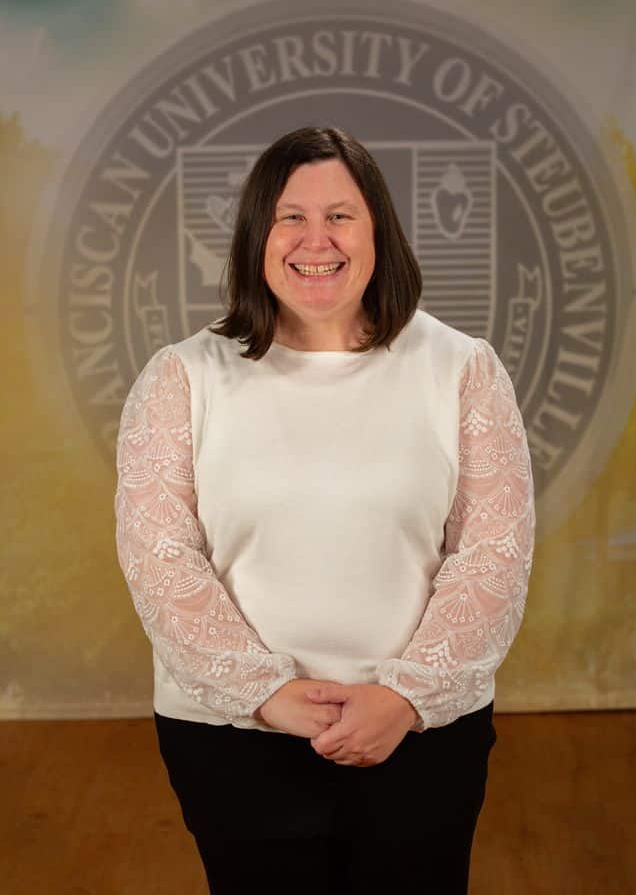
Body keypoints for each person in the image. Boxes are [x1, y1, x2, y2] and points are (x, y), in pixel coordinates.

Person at [114, 125, 535, 894]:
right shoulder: (180, 376)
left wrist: (406, 696)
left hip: (421, 734)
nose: (317, 240)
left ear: (378, 230)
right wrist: (265, 693)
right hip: (231, 734)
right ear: (255, 238)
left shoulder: (463, 368)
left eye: (340, 215)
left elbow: (494, 554)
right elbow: (160, 557)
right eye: (290, 217)